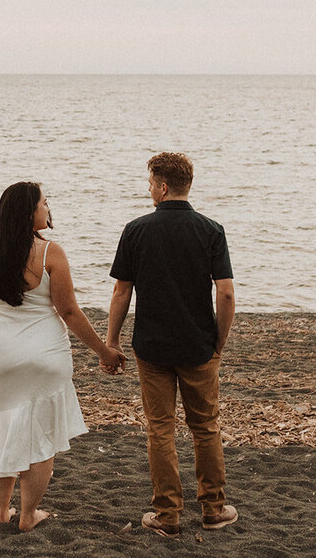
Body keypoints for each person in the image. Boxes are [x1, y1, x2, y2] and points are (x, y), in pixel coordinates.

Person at [0, 181, 126, 532]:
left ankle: (0, 511)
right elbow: (69, 311)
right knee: (40, 437)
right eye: (44, 203)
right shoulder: (50, 252)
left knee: (3, 430)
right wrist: (105, 351)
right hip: (43, 356)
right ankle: (27, 516)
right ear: (30, 213)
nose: (48, 208)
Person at [105, 152, 238, 536]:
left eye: (150, 183)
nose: (148, 189)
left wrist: (111, 341)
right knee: (205, 428)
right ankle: (213, 509)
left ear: (163, 187)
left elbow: (121, 292)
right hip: (199, 346)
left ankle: (167, 517)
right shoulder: (211, 230)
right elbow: (226, 294)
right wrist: (220, 342)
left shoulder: (136, 230)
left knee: (160, 430)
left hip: (153, 347)